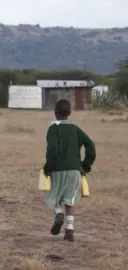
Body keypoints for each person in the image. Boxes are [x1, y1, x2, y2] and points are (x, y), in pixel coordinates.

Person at [43, 99, 96, 242]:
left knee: (52, 197)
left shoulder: (53, 129)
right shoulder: (76, 129)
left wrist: (48, 168)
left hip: (57, 169)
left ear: (55, 113)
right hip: (75, 171)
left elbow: (52, 149)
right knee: (70, 199)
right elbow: (91, 147)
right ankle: (70, 230)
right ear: (70, 113)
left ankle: (59, 213)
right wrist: (85, 166)